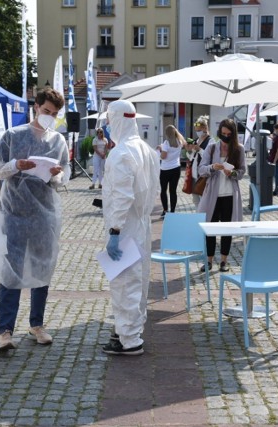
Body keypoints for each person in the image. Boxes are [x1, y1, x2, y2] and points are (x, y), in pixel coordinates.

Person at [0, 87, 70, 352]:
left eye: (55, 114)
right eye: (47, 111)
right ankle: (5, 330)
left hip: (43, 213)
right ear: (36, 107)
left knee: (41, 268)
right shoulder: (14, 135)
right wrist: (16, 166)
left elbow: (63, 178)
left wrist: (56, 173)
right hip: (15, 212)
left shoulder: (58, 141)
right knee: (11, 271)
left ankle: (37, 324)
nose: (50, 117)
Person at [101, 100, 160, 356]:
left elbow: (122, 197)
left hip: (125, 227)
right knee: (138, 280)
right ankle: (131, 329)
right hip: (141, 224)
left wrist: (114, 231)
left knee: (124, 282)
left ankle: (129, 339)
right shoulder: (146, 150)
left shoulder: (121, 153)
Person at [197, 118, 246, 273]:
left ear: (233, 135)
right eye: (223, 133)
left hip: (230, 195)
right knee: (210, 228)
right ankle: (209, 261)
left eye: (228, 134)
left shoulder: (239, 149)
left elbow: (242, 172)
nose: (225, 137)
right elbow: (201, 169)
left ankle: (224, 262)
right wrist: (213, 167)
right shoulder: (211, 148)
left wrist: (232, 172)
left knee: (227, 229)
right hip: (213, 194)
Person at [157, 125, 186, 217]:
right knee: (173, 191)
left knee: (163, 190)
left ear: (166, 133)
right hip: (176, 168)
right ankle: (173, 211)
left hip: (165, 169)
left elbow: (163, 156)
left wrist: (160, 150)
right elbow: (184, 145)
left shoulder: (166, 143)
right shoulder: (179, 141)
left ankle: (165, 210)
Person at [185, 115, 212, 207]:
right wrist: (189, 151)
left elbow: (210, 157)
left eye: (199, 130)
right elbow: (191, 157)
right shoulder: (196, 140)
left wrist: (199, 149)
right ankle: (198, 217)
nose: (197, 132)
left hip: (203, 176)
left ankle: (205, 219)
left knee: (204, 201)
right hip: (194, 175)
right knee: (196, 200)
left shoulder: (211, 141)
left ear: (205, 128)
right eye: (196, 131)